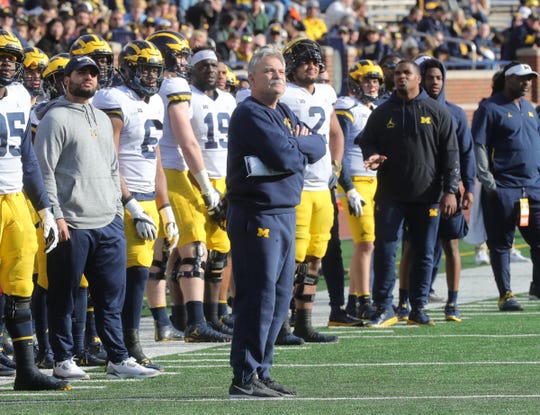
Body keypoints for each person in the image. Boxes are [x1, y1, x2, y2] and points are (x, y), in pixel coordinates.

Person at [34, 55, 161, 380]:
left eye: (92, 74)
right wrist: (56, 216)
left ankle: (117, 357)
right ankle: (62, 358)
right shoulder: (55, 118)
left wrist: (120, 210)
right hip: (72, 222)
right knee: (63, 294)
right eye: (81, 73)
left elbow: (113, 167)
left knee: (110, 296)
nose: (88, 79)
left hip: (107, 220)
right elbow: (44, 170)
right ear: (67, 78)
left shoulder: (103, 119)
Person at [227, 46, 326, 398]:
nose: (278, 75)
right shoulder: (248, 113)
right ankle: (244, 375)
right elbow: (288, 155)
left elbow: (319, 145)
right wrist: (296, 147)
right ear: (251, 79)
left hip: (285, 212)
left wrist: (296, 146)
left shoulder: (281, 110)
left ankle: (262, 370)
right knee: (259, 296)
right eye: (269, 71)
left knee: (280, 297)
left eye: (281, 70)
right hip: (258, 213)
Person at [93, 39, 176, 370]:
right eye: (144, 69)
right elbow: (108, 157)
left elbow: (154, 154)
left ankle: (129, 345)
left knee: (138, 277)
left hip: (146, 199)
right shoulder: (114, 99)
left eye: (155, 70)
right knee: (114, 281)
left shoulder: (154, 103)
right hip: (119, 201)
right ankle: (115, 348)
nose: (151, 77)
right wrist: (129, 204)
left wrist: (164, 204)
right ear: (127, 68)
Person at [360, 59, 460, 327]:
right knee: (385, 250)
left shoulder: (437, 112)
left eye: (407, 73)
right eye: (398, 73)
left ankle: (418, 307)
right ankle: (382, 306)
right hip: (390, 195)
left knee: (425, 252)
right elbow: (366, 140)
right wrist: (371, 155)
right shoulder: (381, 113)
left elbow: (451, 154)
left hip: (427, 195)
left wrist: (450, 190)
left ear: (418, 79)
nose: (401, 77)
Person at [147, 33, 232, 343]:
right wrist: (207, 188)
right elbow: (187, 140)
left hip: (161, 170)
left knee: (161, 253)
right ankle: (194, 322)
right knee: (193, 251)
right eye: (179, 56)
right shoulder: (174, 86)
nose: (184, 62)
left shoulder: (155, 87)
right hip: (175, 171)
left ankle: (169, 321)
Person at [0, 29, 69, 391]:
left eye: (12, 58)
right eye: (2, 57)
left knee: (20, 283)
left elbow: (27, 158)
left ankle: (25, 369)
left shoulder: (20, 96)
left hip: (15, 198)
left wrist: (43, 208)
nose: (8, 64)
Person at [396, 56, 476, 323]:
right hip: (418, 193)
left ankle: (452, 302)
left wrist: (467, 187)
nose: (434, 83)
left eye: (438, 78)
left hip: (448, 192)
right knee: (411, 247)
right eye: (429, 77)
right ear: (420, 79)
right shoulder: (406, 110)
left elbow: (465, 152)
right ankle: (403, 301)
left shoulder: (453, 113)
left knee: (451, 245)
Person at [280, 38, 344, 342]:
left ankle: (304, 321)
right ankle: (281, 323)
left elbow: (335, 132)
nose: (312, 66)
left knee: (315, 256)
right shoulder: (284, 94)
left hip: (322, 187)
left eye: (316, 62)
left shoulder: (326, 93)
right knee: (292, 257)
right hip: (297, 186)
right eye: (305, 60)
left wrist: (336, 167)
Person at [471, 61, 540, 309]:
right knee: (501, 243)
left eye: (529, 78)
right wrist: (488, 181)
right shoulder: (489, 108)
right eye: (522, 78)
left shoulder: (530, 108)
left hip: (532, 188)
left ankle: (537, 287)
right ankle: (506, 294)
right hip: (504, 187)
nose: (527, 83)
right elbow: (478, 145)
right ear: (508, 79)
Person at [336, 60, 383, 321]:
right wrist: (349, 187)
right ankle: (364, 299)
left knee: (364, 243)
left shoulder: (372, 108)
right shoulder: (347, 106)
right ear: (355, 82)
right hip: (356, 180)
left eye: (375, 80)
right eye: (367, 80)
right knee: (366, 242)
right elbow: (338, 151)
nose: (372, 84)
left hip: (373, 180)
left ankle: (354, 299)